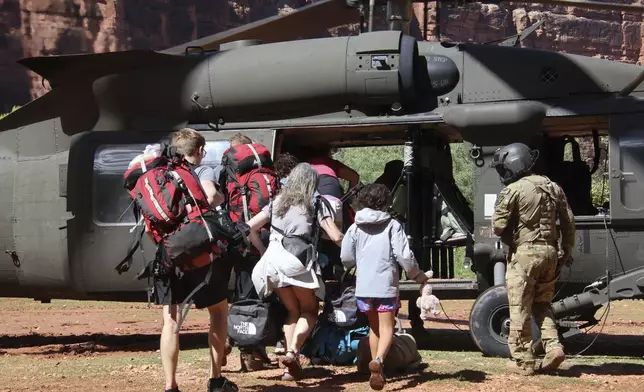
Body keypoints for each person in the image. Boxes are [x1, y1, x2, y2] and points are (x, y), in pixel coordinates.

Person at [154, 128, 237, 392]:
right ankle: (215, 379)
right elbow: (211, 196)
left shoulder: (158, 177)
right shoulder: (201, 172)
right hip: (201, 253)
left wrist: (168, 247)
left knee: (170, 321)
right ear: (199, 151)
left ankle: (171, 385)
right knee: (219, 311)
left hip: (167, 255)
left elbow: (149, 226)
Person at [246, 163, 344, 381]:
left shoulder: (277, 201)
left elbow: (249, 226)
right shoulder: (316, 202)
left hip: (272, 263)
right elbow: (336, 236)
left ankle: (289, 368)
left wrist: (262, 250)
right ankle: (292, 353)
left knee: (292, 311)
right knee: (309, 310)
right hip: (297, 262)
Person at [491, 142, 575, 376]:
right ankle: (553, 347)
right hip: (550, 253)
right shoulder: (553, 186)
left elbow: (498, 227)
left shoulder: (513, 190)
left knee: (519, 306)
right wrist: (567, 251)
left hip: (526, 254)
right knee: (542, 304)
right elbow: (569, 222)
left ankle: (523, 361)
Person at [340, 183, 431, 391]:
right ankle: (379, 361)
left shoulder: (355, 226)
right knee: (387, 326)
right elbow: (404, 256)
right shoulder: (393, 225)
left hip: (364, 287)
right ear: (386, 202)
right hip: (386, 286)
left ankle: (377, 369)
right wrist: (417, 275)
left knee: (373, 327)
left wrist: (357, 261)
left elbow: (346, 258)